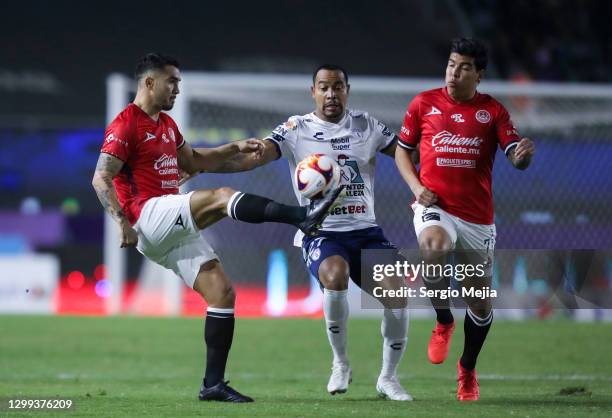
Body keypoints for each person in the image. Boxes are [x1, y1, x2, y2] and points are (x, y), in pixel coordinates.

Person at [91, 53, 342, 403]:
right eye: (172, 81)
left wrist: (237, 150)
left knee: (222, 293)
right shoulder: (126, 124)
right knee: (222, 198)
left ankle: (213, 385)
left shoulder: (165, 124)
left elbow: (195, 162)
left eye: (178, 81)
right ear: (149, 83)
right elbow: (101, 176)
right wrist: (122, 223)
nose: (177, 88)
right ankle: (301, 217)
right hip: (145, 216)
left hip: (168, 226)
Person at [192, 64, 413, 401]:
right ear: (313, 92)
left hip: (367, 232)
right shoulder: (296, 128)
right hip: (322, 232)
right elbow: (259, 155)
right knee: (334, 275)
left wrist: (427, 167)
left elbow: (400, 149)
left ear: (347, 90)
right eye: (323, 87)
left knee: (397, 293)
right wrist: (212, 161)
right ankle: (340, 363)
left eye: (337, 87)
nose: (331, 94)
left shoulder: (367, 125)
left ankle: (388, 378)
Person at [395, 38, 536, 401]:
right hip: (434, 207)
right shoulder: (423, 103)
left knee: (480, 303)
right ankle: (443, 320)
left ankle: (468, 369)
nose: (454, 72)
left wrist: (521, 157)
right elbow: (402, 152)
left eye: (464, 67)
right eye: (451, 64)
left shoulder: (493, 112)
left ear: (479, 75)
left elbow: (514, 156)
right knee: (433, 245)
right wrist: (416, 186)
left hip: (476, 218)